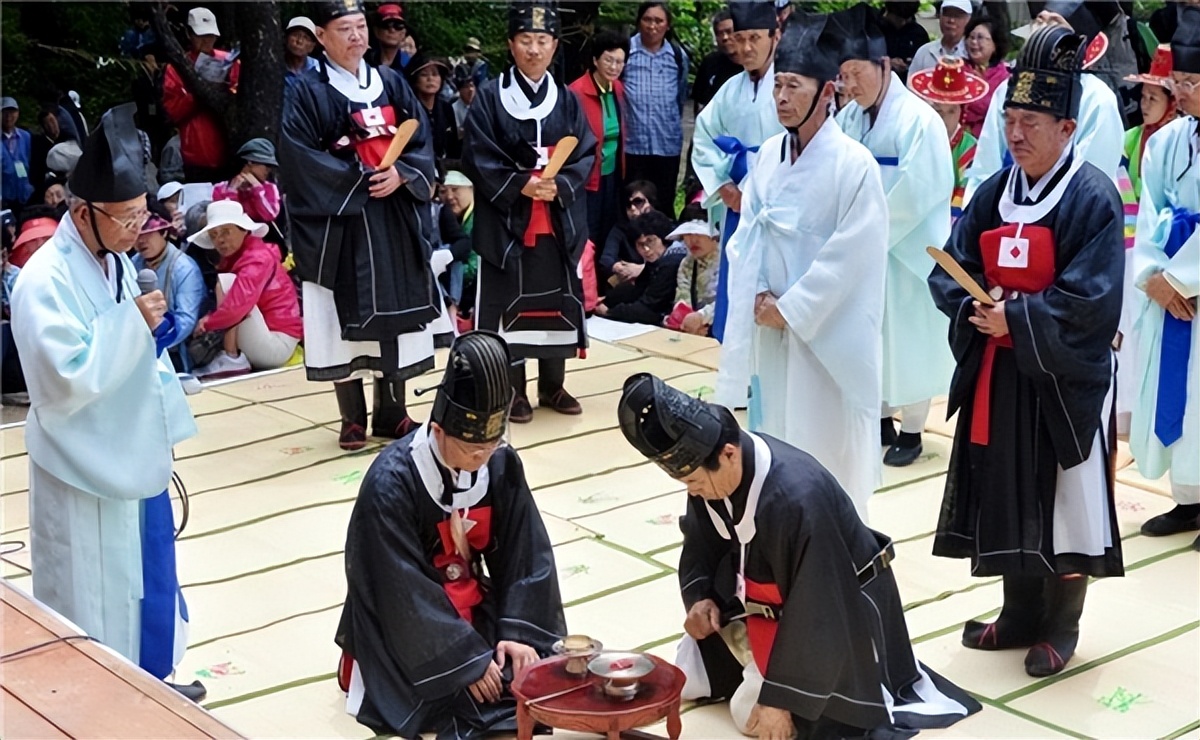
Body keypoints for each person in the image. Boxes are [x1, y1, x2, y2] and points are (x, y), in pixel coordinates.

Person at [616, 374, 982, 740]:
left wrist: (781, 699)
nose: (692, 491)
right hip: (763, 606)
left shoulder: (797, 497)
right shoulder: (709, 474)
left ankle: (778, 687)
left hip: (838, 618)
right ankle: (755, 673)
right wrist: (700, 599)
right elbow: (701, 546)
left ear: (728, 453)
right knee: (689, 671)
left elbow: (821, 607)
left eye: (694, 481)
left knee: (762, 717)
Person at [927, 25, 1126, 677]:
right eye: (1010, 119)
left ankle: (1061, 624)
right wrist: (973, 306)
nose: (1016, 134)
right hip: (1002, 372)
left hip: (1064, 377)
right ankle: (1017, 612)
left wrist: (1020, 319)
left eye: (1031, 121)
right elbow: (950, 267)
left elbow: (1092, 300)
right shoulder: (994, 192)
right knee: (1005, 486)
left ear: (1067, 128)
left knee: (1063, 498)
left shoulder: (1091, 196)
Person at [9, 104, 203, 700]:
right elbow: (61, 377)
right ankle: (101, 695)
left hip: (129, 444)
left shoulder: (116, 261)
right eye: (124, 218)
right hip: (81, 458)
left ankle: (154, 679)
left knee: (145, 575)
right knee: (91, 586)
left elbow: (138, 347)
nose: (134, 230)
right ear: (80, 210)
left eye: (142, 216)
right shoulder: (44, 278)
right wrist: (132, 327)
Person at [336, 331, 565, 739]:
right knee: (455, 694)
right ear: (439, 431)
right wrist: (467, 659)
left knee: (532, 675)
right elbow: (395, 586)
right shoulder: (391, 481)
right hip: (406, 621)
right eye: (472, 449)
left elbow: (526, 553)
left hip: (469, 600)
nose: (483, 457)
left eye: (492, 444)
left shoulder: (498, 462)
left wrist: (517, 632)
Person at [717, 11, 887, 519]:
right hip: (772, 328)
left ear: (827, 90)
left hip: (826, 336)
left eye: (794, 85)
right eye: (778, 86)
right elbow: (745, 236)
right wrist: (756, 296)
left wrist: (792, 307)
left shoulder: (854, 165)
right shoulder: (768, 155)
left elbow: (852, 255)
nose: (783, 97)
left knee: (827, 445)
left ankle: (839, 544)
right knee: (775, 445)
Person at [280, 0, 443, 451]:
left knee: (397, 306)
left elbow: (422, 138)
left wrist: (404, 174)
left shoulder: (391, 82)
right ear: (320, 35)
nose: (356, 37)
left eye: (360, 27)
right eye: (344, 29)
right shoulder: (306, 89)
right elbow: (298, 156)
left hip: (393, 214)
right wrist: (355, 179)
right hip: (345, 220)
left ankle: (393, 411)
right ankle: (352, 416)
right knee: (340, 310)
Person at [832, 4, 955, 468]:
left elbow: (921, 191)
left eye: (856, 72)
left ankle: (913, 428)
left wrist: (869, 230)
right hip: (864, 246)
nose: (850, 84)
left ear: (884, 66)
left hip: (908, 251)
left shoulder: (919, 120)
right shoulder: (848, 120)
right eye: (843, 75)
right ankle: (880, 414)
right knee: (871, 334)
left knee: (911, 337)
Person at [462, 1, 596, 423]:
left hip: (555, 215)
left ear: (555, 46)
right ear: (510, 44)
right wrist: (521, 183)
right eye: (525, 40)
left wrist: (561, 184)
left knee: (555, 296)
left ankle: (552, 384)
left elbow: (585, 150)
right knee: (508, 300)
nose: (534, 49)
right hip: (509, 218)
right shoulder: (490, 97)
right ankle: (513, 388)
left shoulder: (568, 99)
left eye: (542, 40)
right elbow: (477, 153)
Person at [1128, 9, 1200, 551]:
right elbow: (1149, 208)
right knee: (1177, 391)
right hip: (1169, 284)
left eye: (1192, 83)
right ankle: (1189, 498)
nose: (1184, 92)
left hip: (1192, 285)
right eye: (1181, 82)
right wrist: (1154, 274)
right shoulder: (1168, 139)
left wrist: (1184, 278)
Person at [692, 0, 784, 345]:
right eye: (739, 38)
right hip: (737, 203)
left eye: (755, 38)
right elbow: (703, 137)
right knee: (738, 285)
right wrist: (724, 185)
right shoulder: (730, 90)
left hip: (779, 202)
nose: (746, 47)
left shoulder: (791, 84)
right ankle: (735, 375)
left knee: (772, 285)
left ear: (775, 36)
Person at [964, 7, 1124, 204]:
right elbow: (986, 167)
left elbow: (1095, 176)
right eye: (1039, 21)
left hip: (1072, 212)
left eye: (1053, 23)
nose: (1041, 29)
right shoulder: (1008, 88)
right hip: (1005, 208)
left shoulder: (1097, 98)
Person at [187, 200, 302, 377]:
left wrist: (208, 323)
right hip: (271, 339)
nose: (220, 240)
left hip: (277, 345)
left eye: (226, 232)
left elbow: (236, 308)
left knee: (228, 283)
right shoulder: (244, 257)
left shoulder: (256, 259)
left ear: (244, 230)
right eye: (214, 234)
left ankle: (231, 358)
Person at [623, 2, 690, 213]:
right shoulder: (625, 52)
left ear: (668, 25)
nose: (653, 26)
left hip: (666, 144)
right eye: (647, 19)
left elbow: (680, 96)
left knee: (663, 203)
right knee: (631, 205)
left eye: (659, 21)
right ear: (639, 22)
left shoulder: (678, 56)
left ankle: (663, 244)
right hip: (632, 145)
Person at [162, 7, 240, 182]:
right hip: (197, 149)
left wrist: (227, 90)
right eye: (201, 35)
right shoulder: (176, 67)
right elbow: (172, 111)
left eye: (210, 35)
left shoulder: (228, 61)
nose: (207, 40)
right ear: (189, 34)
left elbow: (241, 94)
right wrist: (198, 94)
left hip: (229, 145)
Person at [908, 57, 990, 222]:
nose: (944, 119)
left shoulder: (970, 150)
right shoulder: (914, 140)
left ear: (961, 111)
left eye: (951, 111)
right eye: (938, 111)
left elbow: (966, 196)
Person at [570, 30, 628, 254]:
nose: (614, 67)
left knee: (610, 227)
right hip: (587, 177)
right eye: (609, 60)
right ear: (595, 60)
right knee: (589, 231)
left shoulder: (618, 89)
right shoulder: (575, 92)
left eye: (620, 62)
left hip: (612, 173)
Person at [132, 206, 206, 373]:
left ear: (164, 232)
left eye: (148, 233)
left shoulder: (184, 268)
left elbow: (186, 319)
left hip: (173, 350)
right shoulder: (131, 264)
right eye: (137, 234)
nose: (141, 240)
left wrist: (155, 345)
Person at [594, 210, 684, 325]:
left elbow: (648, 307)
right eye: (641, 245)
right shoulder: (656, 260)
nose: (646, 249)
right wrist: (607, 300)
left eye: (650, 241)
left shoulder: (672, 262)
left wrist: (609, 311)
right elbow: (637, 289)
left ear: (664, 238)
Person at [665, 211, 719, 335]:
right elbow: (683, 295)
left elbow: (729, 300)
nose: (692, 240)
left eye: (698, 234)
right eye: (687, 234)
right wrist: (682, 316)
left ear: (714, 237)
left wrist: (702, 318)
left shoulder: (727, 261)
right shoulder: (687, 263)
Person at [212, 138, 282, 225]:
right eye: (266, 165)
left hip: (263, 236)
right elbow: (224, 217)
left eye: (270, 166)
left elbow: (269, 215)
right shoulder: (220, 188)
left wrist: (257, 188)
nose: (268, 170)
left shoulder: (270, 188)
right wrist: (232, 191)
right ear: (250, 162)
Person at [599, 180, 655, 287]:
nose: (632, 208)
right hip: (630, 281)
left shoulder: (664, 226)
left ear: (651, 203)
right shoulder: (621, 229)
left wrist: (642, 269)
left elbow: (671, 260)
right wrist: (620, 268)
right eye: (628, 204)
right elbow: (606, 259)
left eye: (638, 202)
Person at [962, 17, 1010, 137]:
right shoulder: (959, 68)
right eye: (971, 37)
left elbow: (995, 110)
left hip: (988, 138)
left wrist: (978, 87)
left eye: (980, 38)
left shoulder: (1004, 76)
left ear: (994, 45)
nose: (973, 42)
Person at [407, 53, 460, 161]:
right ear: (415, 80)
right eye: (424, 74)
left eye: (435, 74)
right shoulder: (408, 110)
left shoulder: (446, 108)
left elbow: (454, 148)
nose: (430, 79)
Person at [692, 10, 742, 115]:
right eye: (720, 33)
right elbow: (699, 102)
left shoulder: (753, 64)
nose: (725, 37)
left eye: (729, 31)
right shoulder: (710, 63)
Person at [909, 0, 973, 75]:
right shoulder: (924, 52)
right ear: (940, 16)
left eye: (957, 16)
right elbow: (910, 83)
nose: (951, 20)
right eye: (947, 14)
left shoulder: (973, 54)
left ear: (969, 20)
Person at [879, 2, 929, 82]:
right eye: (898, 19)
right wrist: (887, 63)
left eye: (907, 19)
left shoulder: (918, 33)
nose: (902, 23)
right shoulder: (874, 30)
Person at [2, 97, 34, 209]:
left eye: (12, 112)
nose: (8, 116)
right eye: (4, 112)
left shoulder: (26, 136)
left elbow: (29, 159)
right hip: (5, 196)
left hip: (24, 193)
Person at [367, 3, 409, 71]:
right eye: (386, 25)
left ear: (404, 32)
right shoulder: (363, 62)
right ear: (376, 30)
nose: (392, 30)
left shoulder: (410, 65)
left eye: (398, 25)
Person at [284, 16, 320, 80]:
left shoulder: (318, 69)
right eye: (295, 35)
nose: (299, 41)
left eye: (306, 38)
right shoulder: (274, 65)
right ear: (285, 38)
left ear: (312, 47)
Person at [451, 67, 476, 140]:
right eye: (466, 87)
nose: (470, 90)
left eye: (471, 86)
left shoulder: (480, 105)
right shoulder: (454, 109)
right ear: (459, 90)